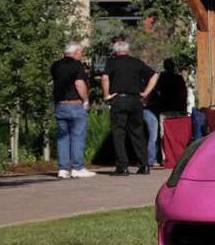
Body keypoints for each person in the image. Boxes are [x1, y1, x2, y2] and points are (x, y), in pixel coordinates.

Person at [101, 40, 158, 176]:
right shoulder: (136, 62)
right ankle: (144, 165)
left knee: (119, 132)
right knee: (137, 132)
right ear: (127, 50)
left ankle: (122, 166)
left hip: (119, 99)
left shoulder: (112, 62)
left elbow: (104, 78)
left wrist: (106, 95)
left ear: (115, 51)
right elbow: (154, 75)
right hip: (135, 100)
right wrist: (145, 93)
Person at [50, 43, 96, 179]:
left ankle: (63, 169)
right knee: (77, 136)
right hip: (75, 104)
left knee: (62, 138)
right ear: (75, 53)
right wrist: (86, 100)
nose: (81, 55)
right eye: (81, 53)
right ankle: (77, 167)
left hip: (60, 104)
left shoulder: (55, 66)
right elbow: (79, 84)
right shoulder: (77, 66)